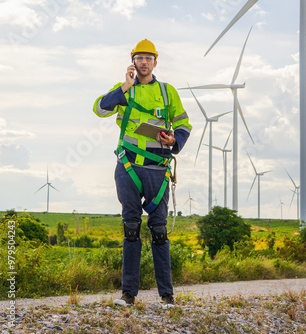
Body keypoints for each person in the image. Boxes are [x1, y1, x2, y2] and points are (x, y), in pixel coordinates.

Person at [92, 39, 192, 308]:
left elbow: (184, 123)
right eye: (139, 58)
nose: (144, 62)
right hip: (128, 167)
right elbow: (100, 108)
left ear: (155, 62)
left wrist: (175, 141)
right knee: (131, 228)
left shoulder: (167, 91)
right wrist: (124, 86)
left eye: (149, 58)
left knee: (159, 231)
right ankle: (128, 294)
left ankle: (167, 296)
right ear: (132, 62)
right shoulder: (123, 91)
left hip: (157, 170)